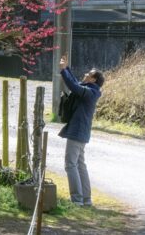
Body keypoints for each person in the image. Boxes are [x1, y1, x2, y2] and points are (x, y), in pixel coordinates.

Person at [58, 55, 104, 207]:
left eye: (89, 74)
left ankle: (77, 199)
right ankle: (86, 199)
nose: (85, 74)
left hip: (77, 133)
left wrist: (64, 70)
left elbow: (74, 87)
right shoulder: (90, 90)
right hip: (81, 134)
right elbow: (76, 84)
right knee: (80, 165)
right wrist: (67, 69)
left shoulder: (89, 93)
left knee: (70, 164)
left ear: (93, 80)